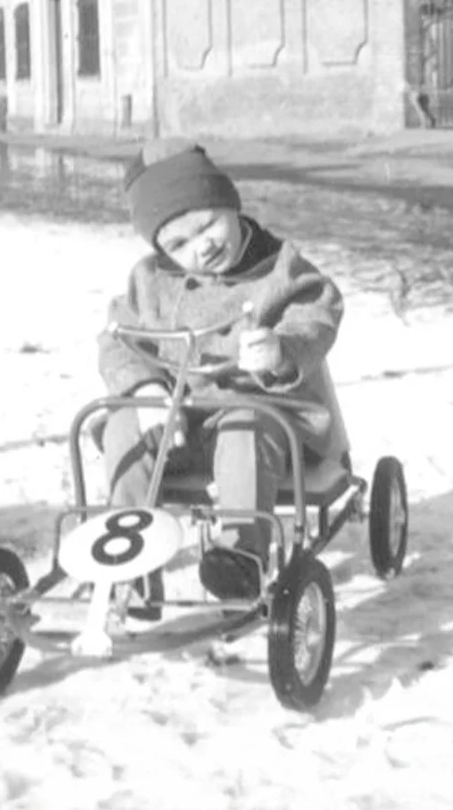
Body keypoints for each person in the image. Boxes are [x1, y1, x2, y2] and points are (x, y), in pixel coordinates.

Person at [98, 141, 345, 604]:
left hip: (262, 415)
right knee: (122, 425)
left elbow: (318, 313)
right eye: (178, 244)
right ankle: (128, 555)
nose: (203, 246)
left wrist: (281, 349)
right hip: (177, 419)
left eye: (208, 224)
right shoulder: (149, 282)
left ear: (231, 204)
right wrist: (145, 388)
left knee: (244, 427)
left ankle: (239, 554)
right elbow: (117, 340)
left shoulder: (280, 268)